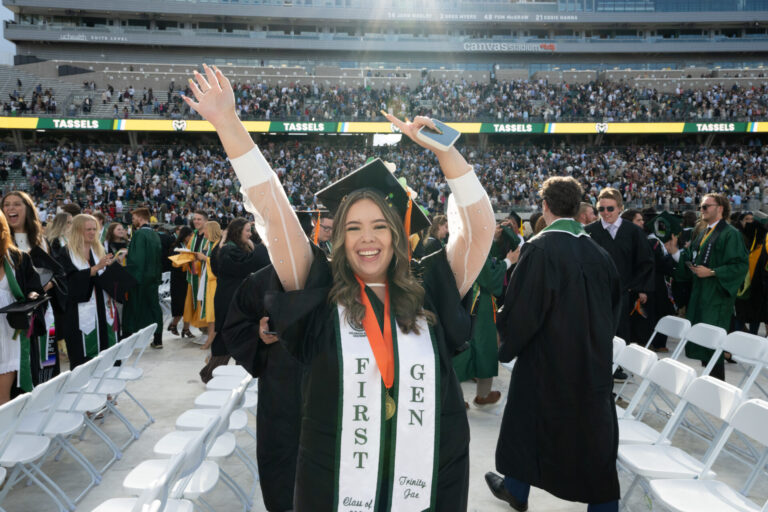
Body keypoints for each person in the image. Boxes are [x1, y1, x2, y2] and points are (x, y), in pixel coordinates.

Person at [183, 63, 494, 511]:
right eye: (353, 228)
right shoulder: (319, 295)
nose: (367, 238)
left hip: (428, 481)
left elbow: (481, 232)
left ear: (396, 233)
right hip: (335, 487)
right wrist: (230, 125)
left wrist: (447, 152)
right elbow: (274, 214)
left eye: (378, 227)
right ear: (339, 238)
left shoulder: (431, 289)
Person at [486, 176, 622, 512]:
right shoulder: (600, 253)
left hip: (547, 360)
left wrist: (506, 338)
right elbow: (614, 307)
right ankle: (604, 507)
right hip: (592, 361)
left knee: (528, 421)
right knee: (594, 434)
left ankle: (516, 490)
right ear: (578, 209)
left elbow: (522, 311)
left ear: (545, 207)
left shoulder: (540, 249)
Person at [223, 266, 303, 512]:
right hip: (280, 387)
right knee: (282, 459)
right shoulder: (260, 280)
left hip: (326, 386)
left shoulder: (333, 272)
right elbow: (235, 327)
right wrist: (256, 333)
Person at [665, 194, 749, 380]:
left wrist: (712, 272)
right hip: (700, 296)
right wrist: (675, 253)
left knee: (714, 345)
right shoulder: (703, 234)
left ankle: (717, 388)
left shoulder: (730, 234)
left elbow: (740, 265)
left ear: (720, 208)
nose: (702, 210)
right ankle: (709, 383)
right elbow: (690, 260)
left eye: (706, 207)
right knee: (704, 343)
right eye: (701, 207)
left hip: (716, 298)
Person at [586, 188, 653, 380]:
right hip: (597, 294)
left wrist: (636, 286)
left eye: (610, 208)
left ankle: (617, 367)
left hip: (623, 292)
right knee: (598, 331)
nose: (605, 213)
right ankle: (599, 367)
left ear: (620, 208)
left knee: (621, 330)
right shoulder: (589, 232)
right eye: (601, 209)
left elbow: (645, 261)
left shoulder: (633, 232)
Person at [1, 191, 68, 387]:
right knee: (19, 370)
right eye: (6, 205)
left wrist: (50, 284)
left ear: (27, 209)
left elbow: (59, 273)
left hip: (42, 315)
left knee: (46, 364)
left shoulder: (40, 241)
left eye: (16, 204)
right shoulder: (4, 242)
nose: (10, 208)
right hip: (12, 320)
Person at [452, 249, 517, 407]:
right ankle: (466, 397)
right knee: (481, 348)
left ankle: (474, 395)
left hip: (466, 300)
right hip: (478, 304)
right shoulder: (475, 247)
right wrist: (508, 262)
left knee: (472, 348)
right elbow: (489, 278)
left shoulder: (462, 242)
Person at [57, 214, 120, 369]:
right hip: (78, 316)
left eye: (94, 229)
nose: (92, 233)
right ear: (77, 231)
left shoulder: (99, 250)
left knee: (108, 353)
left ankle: (107, 392)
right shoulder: (65, 253)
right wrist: (94, 269)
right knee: (83, 360)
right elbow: (66, 284)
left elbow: (109, 281)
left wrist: (115, 268)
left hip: (104, 311)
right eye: (88, 229)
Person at [207, 218, 269, 370]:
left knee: (235, 338)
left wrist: (253, 246)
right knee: (227, 338)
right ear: (237, 231)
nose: (249, 234)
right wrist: (263, 246)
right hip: (229, 301)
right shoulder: (229, 249)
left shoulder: (233, 247)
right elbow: (248, 264)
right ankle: (211, 373)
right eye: (247, 231)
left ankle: (220, 371)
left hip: (234, 300)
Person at [0, 210, 43, 402]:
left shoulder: (19, 258)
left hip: (10, 332)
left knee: (4, 396)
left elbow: (34, 288)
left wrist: (32, 296)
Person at [122, 208, 164, 348]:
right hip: (153, 277)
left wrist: (130, 278)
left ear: (140, 218)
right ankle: (158, 339)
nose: (132, 221)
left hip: (140, 278)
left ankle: (128, 339)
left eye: (134, 218)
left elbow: (137, 260)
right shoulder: (155, 234)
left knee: (133, 307)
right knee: (154, 307)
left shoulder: (139, 234)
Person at [181, 210, 209, 337]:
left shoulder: (210, 237)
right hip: (193, 275)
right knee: (193, 304)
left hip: (205, 277)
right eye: (195, 219)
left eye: (199, 219)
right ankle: (203, 330)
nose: (196, 221)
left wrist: (202, 258)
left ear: (206, 221)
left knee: (204, 304)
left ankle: (207, 331)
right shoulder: (194, 236)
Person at [197, 220, 221, 351]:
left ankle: (211, 339)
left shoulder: (218, 245)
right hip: (208, 282)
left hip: (215, 283)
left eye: (205, 229)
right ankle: (210, 338)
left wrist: (204, 258)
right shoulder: (209, 244)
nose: (203, 232)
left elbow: (218, 263)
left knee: (213, 312)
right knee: (210, 312)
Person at [167, 226, 193, 336]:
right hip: (178, 279)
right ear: (185, 236)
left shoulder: (191, 246)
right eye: (190, 236)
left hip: (188, 278)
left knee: (188, 305)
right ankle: (174, 324)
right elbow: (173, 263)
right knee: (179, 305)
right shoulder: (175, 247)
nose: (191, 238)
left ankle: (186, 329)